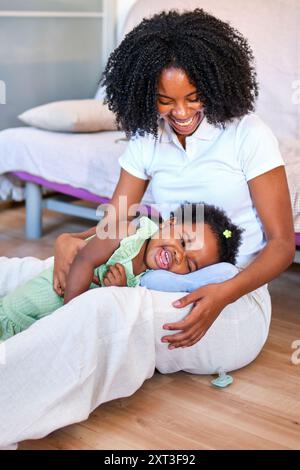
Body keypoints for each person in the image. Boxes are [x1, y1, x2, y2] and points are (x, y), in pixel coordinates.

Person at [0, 8, 295, 448]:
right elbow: (115, 225)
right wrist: (74, 245)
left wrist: (221, 295)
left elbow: (282, 245)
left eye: (194, 96)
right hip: (153, 282)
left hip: (229, 302)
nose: (180, 112)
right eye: (165, 99)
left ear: (215, 83)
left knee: (102, 310)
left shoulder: (248, 135)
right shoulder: (148, 139)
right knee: (29, 273)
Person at [0, 202, 243, 341]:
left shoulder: (150, 279)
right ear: (169, 223)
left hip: (45, 331)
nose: (179, 254)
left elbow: (114, 305)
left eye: (189, 265)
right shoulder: (129, 232)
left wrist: (117, 290)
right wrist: (70, 316)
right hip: (31, 308)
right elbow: (85, 259)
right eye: (182, 241)